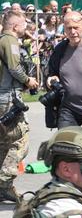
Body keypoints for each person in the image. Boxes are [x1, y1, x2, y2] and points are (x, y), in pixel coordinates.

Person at [0, 11, 39, 203]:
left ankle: (2, 189)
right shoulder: (10, 41)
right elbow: (15, 68)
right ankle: (4, 182)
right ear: (15, 26)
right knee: (20, 141)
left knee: (3, 143)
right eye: (24, 24)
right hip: (7, 99)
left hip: (3, 96)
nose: (27, 27)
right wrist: (29, 81)